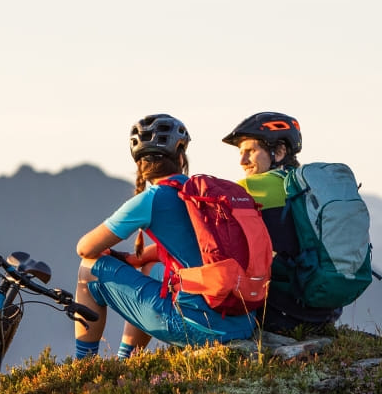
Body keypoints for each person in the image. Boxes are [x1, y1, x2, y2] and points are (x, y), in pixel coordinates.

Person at [72, 114, 257, 358]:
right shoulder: (198, 195)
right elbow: (199, 248)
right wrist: (135, 259)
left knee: (89, 270)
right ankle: (127, 361)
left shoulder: (152, 198)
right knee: (150, 268)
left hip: (197, 328)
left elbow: (85, 248)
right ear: (181, 157)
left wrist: (109, 255)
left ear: (140, 164)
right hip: (242, 322)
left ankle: (84, 367)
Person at [222, 111, 345, 336]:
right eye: (241, 153)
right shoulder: (312, 186)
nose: (242, 161)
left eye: (250, 151)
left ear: (279, 152)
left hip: (281, 314)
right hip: (325, 311)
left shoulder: (248, 188)